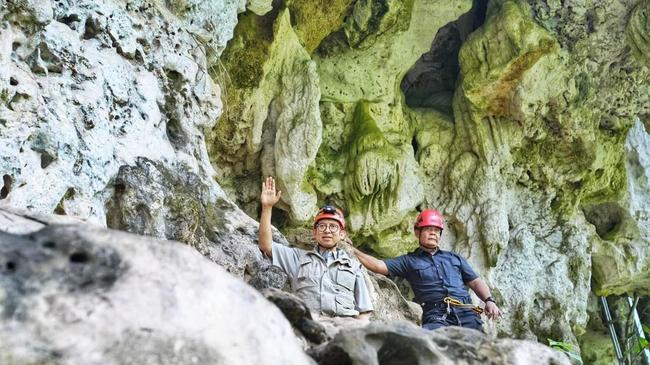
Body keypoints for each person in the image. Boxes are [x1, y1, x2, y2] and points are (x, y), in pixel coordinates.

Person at [353, 209, 501, 331]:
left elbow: (475, 282)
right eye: (429, 229)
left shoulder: (454, 258)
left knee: (478, 351)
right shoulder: (408, 261)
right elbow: (379, 266)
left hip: (467, 312)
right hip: (436, 314)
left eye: (437, 231)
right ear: (418, 232)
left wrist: (489, 300)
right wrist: (351, 250)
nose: (433, 233)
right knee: (429, 344)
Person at [258, 176, 373, 322]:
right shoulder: (297, 257)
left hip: (344, 326)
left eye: (333, 227)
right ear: (314, 232)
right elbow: (265, 246)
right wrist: (267, 207)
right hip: (308, 323)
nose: (327, 231)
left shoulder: (354, 267)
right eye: (322, 226)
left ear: (342, 234)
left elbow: (364, 311)